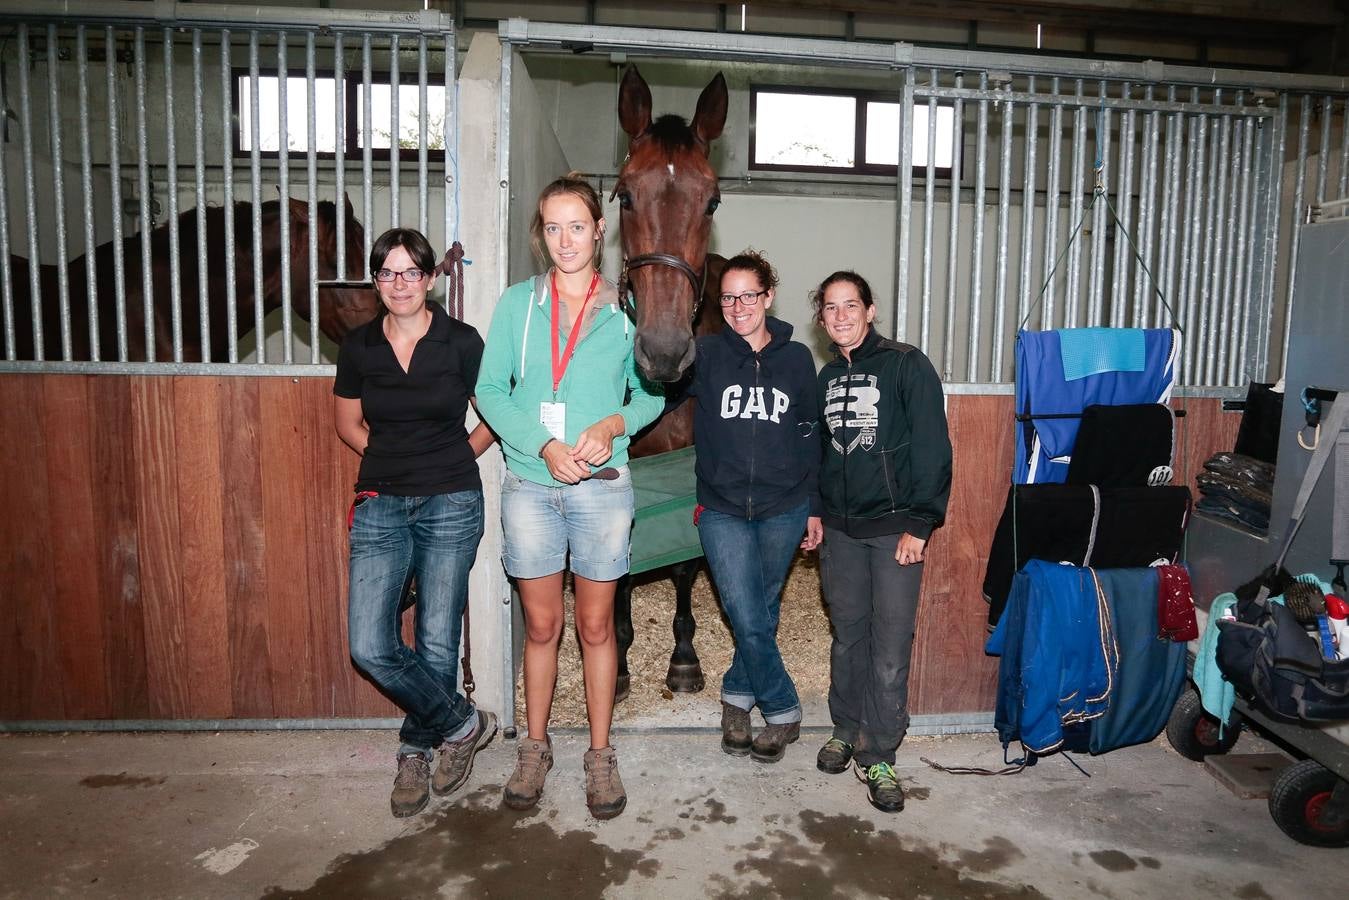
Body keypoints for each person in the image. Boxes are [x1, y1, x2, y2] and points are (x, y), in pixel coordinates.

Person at [475, 173, 664, 820]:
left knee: (592, 625)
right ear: (540, 234)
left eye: (576, 226)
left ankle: (600, 754)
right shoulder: (515, 306)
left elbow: (653, 393)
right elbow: (490, 390)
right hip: (530, 484)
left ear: (600, 231)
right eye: (551, 227)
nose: (564, 240)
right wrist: (542, 444)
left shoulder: (626, 310)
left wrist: (614, 424)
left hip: (603, 488)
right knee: (541, 624)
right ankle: (534, 747)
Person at [333, 227, 497, 819]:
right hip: (380, 500)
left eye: (410, 272)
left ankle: (415, 749)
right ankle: (462, 722)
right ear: (376, 281)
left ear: (430, 279)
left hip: (451, 499)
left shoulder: (461, 342)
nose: (399, 284)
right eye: (387, 273)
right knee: (370, 644)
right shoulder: (359, 347)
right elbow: (348, 423)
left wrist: (458, 455)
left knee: (434, 637)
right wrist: (389, 460)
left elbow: (493, 415)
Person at [810, 270, 952, 813]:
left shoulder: (906, 364)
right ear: (821, 318)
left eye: (851, 305)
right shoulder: (826, 378)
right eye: (830, 307)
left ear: (871, 311)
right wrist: (817, 513)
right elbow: (822, 454)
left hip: (895, 531)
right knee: (848, 637)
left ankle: (880, 752)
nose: (841, 316)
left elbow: (934, 449)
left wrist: (921, 524)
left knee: (890, 647)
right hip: (841, 534)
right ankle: (845, 728)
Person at [690, 250, 821, 763]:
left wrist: (814, 505)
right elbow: (662, 389)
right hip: (720, 506)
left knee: (760, 609)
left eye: (749, 295)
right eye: (728, 297)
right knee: (744, 609)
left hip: (784, 505)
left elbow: (811, 433)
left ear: (768, 297)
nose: (738, 305)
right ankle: (784, 707)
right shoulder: (706, 354)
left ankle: (737, 697)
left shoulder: (796, 359)